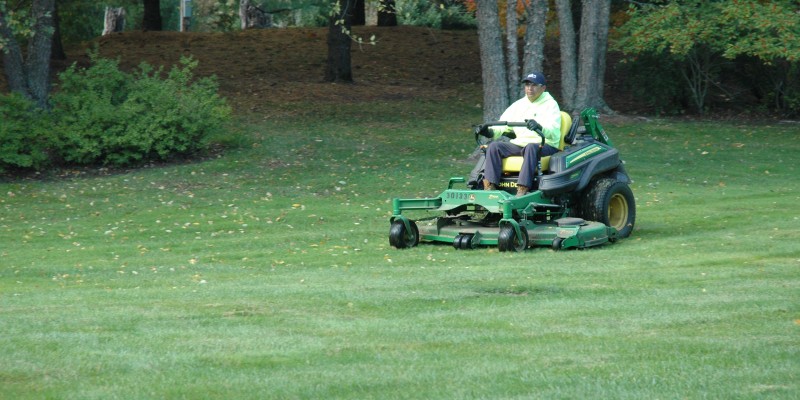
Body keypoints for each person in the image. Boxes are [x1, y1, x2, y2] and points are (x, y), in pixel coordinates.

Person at [477, 72, 561, 196]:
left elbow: (553, 132)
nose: (529, 88)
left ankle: (522, 188)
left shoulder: (551, 105)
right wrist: (489, 132)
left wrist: (539, 127)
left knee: (531, 147)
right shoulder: (519, 105)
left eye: (534, 85)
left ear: (543, 88)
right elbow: (502, 124)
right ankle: (490, 186)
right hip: (521, 144)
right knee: (494, 146)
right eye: (527, 85)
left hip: (546, 144)